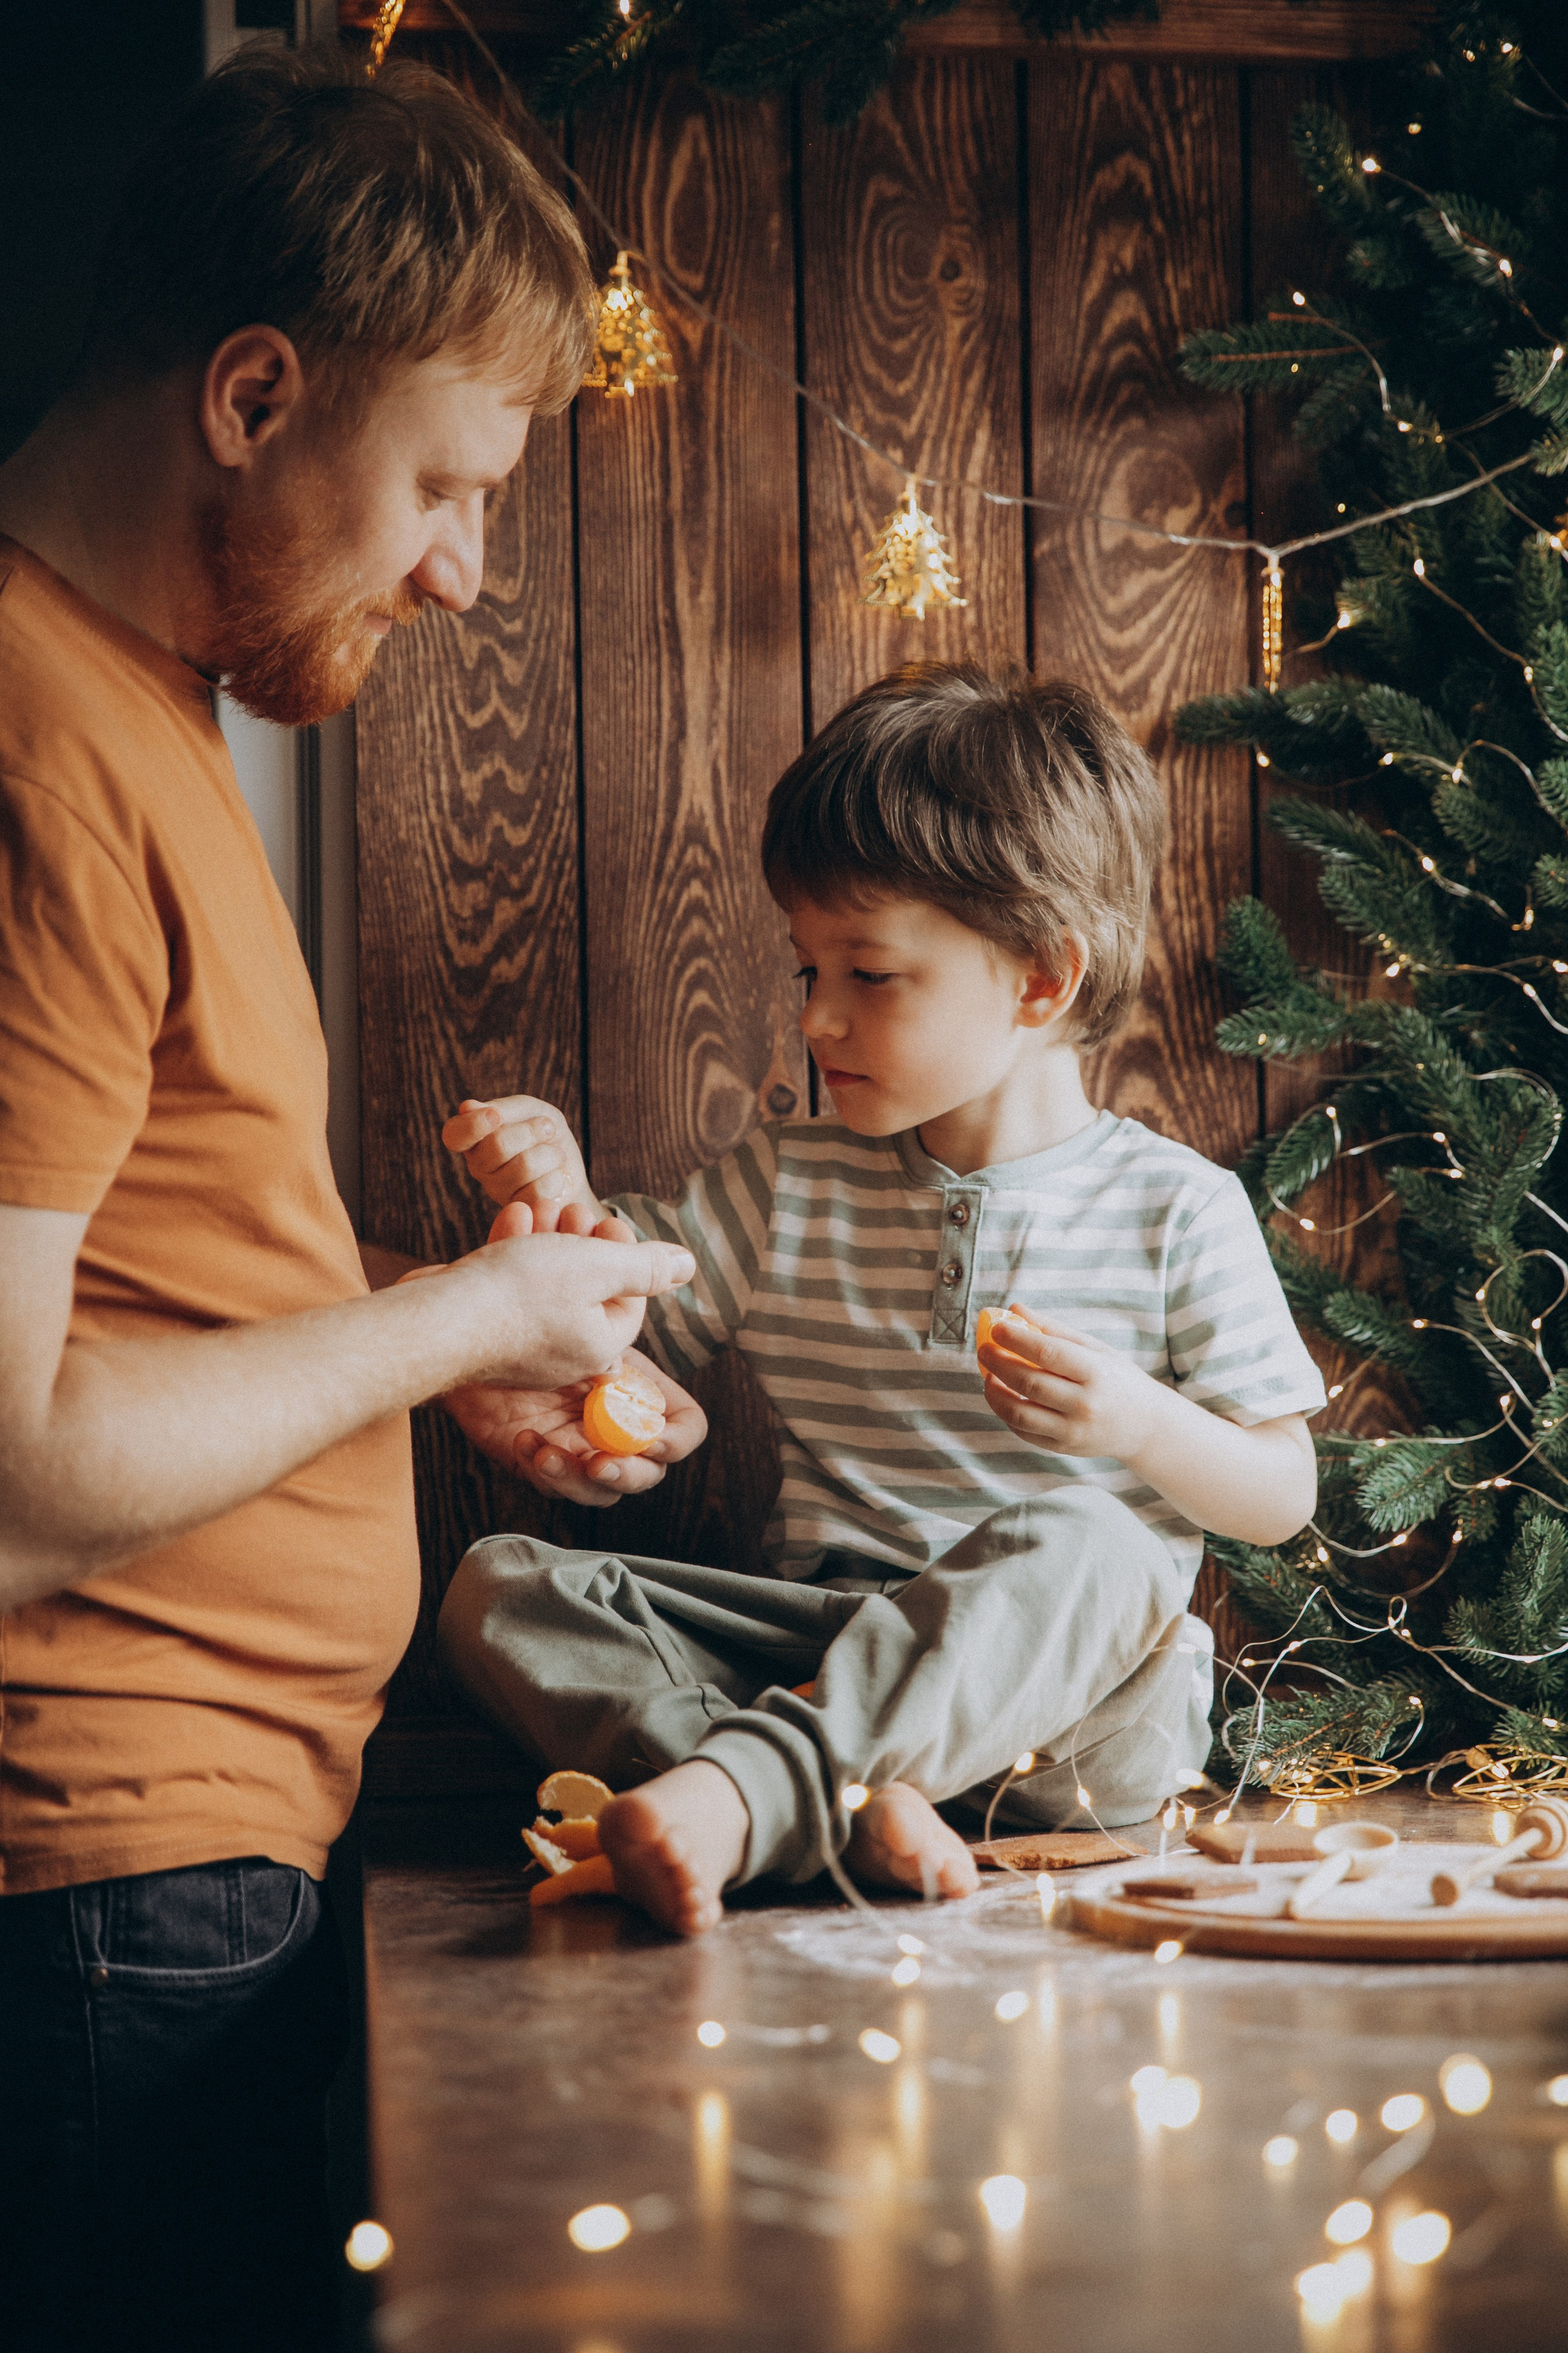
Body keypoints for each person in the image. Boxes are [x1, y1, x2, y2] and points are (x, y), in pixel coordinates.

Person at [0, 44, 701, 2351]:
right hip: (97, 1885)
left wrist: (461, 1323)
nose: (468, 570)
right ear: (254, 391)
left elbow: (124, 1295)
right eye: (445, 481)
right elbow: (14, 1477)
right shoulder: (32, 740)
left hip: (191, 1861)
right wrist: (461, 1329)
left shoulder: (141, 698)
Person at [439, 662, 1327, 1938]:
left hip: (1070, 1722)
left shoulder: (1173, 1208)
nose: (814, 1019)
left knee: (1100, 1544)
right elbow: (611, 1326)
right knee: (499, 1590)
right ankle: (831, 1801)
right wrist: (565, 1191)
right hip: (819, 1645)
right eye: (806, 969)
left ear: (1038, 980)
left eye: (867, 974)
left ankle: (751, 1790)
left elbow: (1279, 1496)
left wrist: (1137, 1424)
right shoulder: (785, 1182)